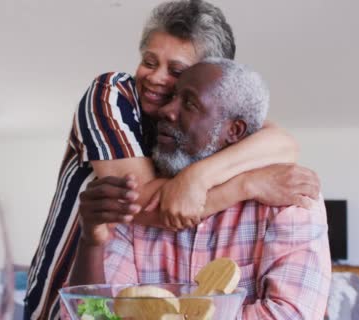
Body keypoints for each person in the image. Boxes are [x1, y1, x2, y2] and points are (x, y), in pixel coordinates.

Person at [24, 1, 321, 319]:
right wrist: (245, 184)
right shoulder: (113, 95)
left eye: (177, 72)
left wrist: (199, 177)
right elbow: (141, 204)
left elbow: (282, 142)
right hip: (60, 297)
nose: (155, 78)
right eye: (149, 62)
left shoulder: (197, 133)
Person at [70, 59, 331, 319]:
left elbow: (290, 315)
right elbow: (97, 315)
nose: (166, 110)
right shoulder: (140, 201)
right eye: (172, 97)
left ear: (234, 130)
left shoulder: (289, 199)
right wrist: (90, 242)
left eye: (190, 103)